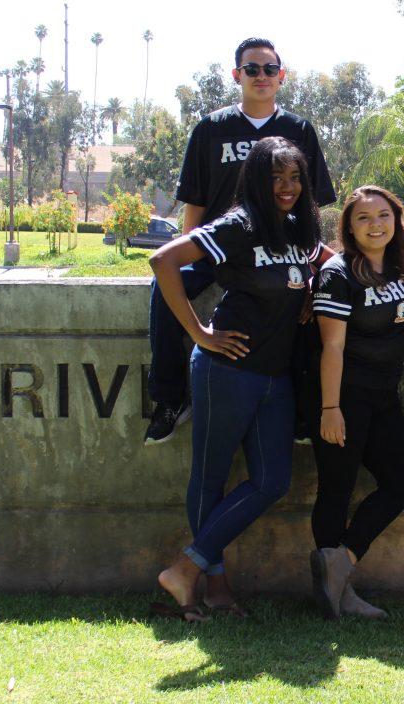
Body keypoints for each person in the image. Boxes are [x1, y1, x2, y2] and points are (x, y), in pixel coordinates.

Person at [150, 137, 327, 621]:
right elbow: (163, 261)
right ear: (256, 179)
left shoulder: (298, 229)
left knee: (272, 480)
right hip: (227, 371)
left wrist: (314, 291)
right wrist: (199, 334)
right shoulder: (238, 224)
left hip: (277, 376)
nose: (287, 187)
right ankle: (216, 587)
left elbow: (331, 262)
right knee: (209, 477)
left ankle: (185, 568)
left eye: (295, 178)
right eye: (276, 177)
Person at [144, 37, 337, 446]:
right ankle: (169, 399)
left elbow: (312, 205)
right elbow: (194, 202)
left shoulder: (298, 130)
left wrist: (313, 260)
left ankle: (304, 412)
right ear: (237, 76)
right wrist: (187, 264)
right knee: (162, 293)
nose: (261, 76)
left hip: (281, 250)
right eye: (252, 69)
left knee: (309, 303)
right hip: (219, 248)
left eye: (269, 69)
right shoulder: (212, 128)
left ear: (281, 77)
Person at [309, 185, 404, 620]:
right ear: (349, 227)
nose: (375, 225)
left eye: (383, 216)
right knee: (335, 491)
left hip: (383, 396)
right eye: (363, 218)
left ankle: (341, 565)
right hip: (344, 398)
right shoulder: (338, 273)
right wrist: (330, 409)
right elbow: (331, 348)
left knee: (402, 484)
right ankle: (339, 594)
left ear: (396, 220)